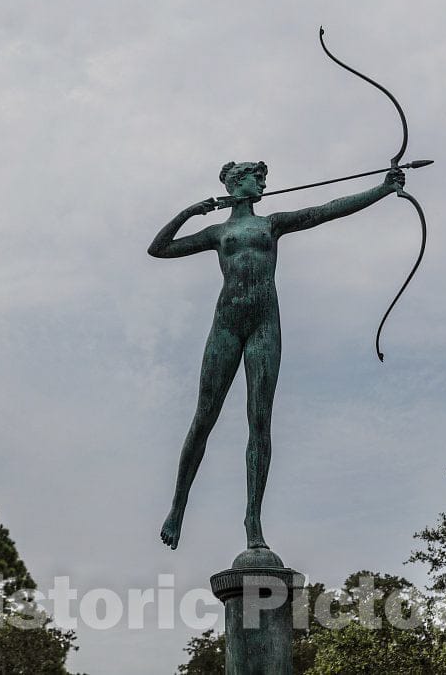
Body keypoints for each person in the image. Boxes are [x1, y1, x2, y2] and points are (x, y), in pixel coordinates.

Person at [149, 160, 406, 550]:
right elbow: (159, 249)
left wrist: (382, 189)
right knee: (204, 416)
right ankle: (177, 506)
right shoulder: (219, 231)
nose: (264, 183)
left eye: (264, 178)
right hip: (227, 324)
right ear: (238, 183)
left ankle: (253, 520)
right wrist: (189, 211)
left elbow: (325, 210)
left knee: (260, 422)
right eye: (258, 177)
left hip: (264, 325)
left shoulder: (271, 224)